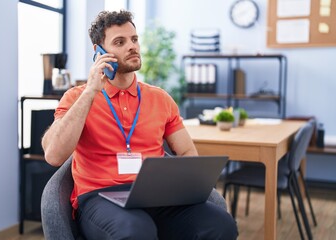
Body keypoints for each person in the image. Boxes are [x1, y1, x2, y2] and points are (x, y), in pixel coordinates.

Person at [42, 10, 238, 240]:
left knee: (220, 224)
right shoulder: (77, 97)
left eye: (134, 39)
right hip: (101, 197)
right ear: (99, 52)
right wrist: (91, 91)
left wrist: (188, 186)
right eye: (120, 42)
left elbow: (185, 150)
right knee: (136, 231)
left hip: (156, 195)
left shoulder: (160, 98)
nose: (132, 46)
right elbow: (54, 155)